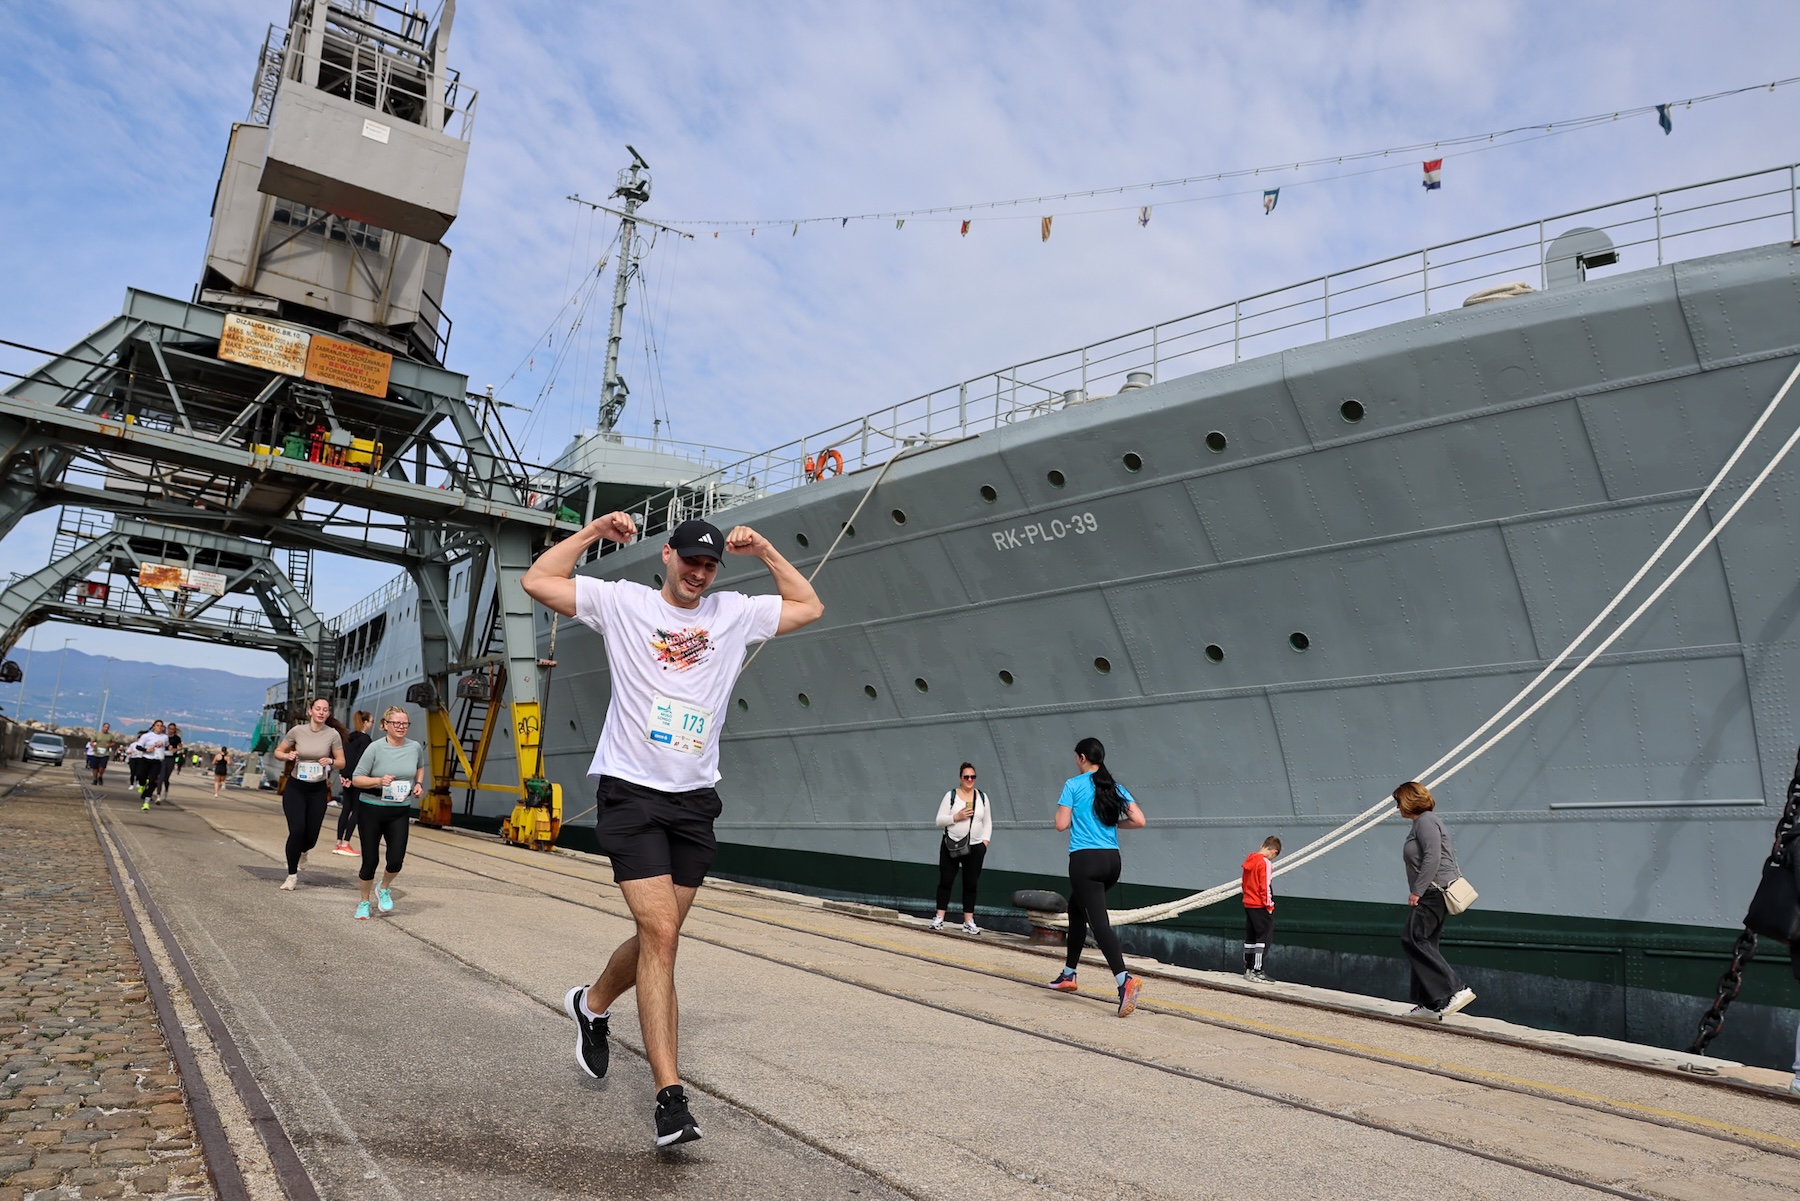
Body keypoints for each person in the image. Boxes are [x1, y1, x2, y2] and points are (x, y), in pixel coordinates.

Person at [521, 512, 823, 1149]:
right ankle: (670, 1098)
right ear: (667, 555)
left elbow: (808, 604)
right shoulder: (622, 602)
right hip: (630, 793)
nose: (700, 572)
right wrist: (592, 535)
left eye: (710, 565)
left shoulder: (733, 614)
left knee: (661, 933)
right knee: (660, 932)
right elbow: (538, 581)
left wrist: (765, 548)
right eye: (691, 560)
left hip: (693, 802)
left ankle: (592, 1003)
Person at [1046, 737, 1148, 1017]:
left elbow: (1060, 824)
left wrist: (1075, 815)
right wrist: (1113, 824)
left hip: (1085, 860)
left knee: (1098, 922)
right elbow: (1139, 820)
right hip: (1111, 861)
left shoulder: (1073, 785)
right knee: (1076, 908)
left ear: (1081, 758)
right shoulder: (1114, 787)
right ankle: (1069, 973)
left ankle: (1123, 980)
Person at [1394, 781, 1477, 1020]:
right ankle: (1430, 1003)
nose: (1397, 807)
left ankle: (1456, 989)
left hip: (1433, 891)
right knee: (1425, 942)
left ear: (1409, 801)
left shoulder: (1426, 822)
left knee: (1413, 938)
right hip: (1432, 891)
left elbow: (1432, 857)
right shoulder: (1423, 822)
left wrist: (1417, 891)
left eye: (1399, 802)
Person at [347, 706, 425, 920]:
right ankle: (364, 902)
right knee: (370, 861)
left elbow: (420, 767)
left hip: (399, 810)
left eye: (405, 724)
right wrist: (378, 781)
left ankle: (383, 887)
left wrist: (418, 784)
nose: (401, 727)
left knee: (396, 860)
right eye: (397, 723)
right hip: (371, 809)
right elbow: (356, 779)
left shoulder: (414, 747)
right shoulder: (375, 748)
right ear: (386, 725)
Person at [273, 698, 345, 890]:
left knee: (311, 837)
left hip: (318, 789)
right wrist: (287, 755)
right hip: (296, 787)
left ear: (328, 714)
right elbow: (278, 751)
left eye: (325, 710)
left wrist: (330, 761)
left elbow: (341, 762)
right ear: (310, 711)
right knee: (297, 830)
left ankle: (304, 851)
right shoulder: (297, 731)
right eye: (318, 709)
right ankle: (291, 875)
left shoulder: (332, 734)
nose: (321, 712)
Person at [932, 762, 992, 933]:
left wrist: (984, 842)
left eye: (972, 777)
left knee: (971, 883)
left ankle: (968, 920)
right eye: (966, 777)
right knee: (946, 880)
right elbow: (939, 820)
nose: (969, 780)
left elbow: (987, 822)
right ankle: (939, 917)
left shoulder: (981, 797)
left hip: (975, 846)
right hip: (951, 844)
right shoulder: (951, 796)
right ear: (960, 778)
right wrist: (956, 817)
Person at [333, 711, 374, 856]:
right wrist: (353, 777)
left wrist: (343, 775)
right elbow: (360, 760)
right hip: (356, 778)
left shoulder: (349, 737)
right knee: (357, 810)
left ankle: (338, 842)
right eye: (371, 721)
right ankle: (346, 843)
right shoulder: (365, 740)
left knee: (346, 809)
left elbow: (345, 757)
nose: (371, 724)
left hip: (345, 776)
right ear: (365, 722)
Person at [1241, 836, 1281, 981]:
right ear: (1274, 852)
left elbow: (1245, 884)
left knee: (1251, 936)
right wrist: (1269, 905)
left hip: (1248, 903)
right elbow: (1264, 886)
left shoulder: (1250, 860)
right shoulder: (1265, 863)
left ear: (1262, 845)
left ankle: (1248, 968)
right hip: (1259, 904)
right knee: (1264, 937)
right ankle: (1258, 970)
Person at [129, 721, 169, 810]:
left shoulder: (165, 737)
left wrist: (168, 749)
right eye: (157, 725)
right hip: (146, 759)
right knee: (141, 775)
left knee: (153, 781)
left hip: (157, 761)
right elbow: (138, 747)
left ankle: (146, 803)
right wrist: (146, 749)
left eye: (161, 726)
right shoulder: (146, 736)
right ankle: (142, 784)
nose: (159, 727)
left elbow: (166, 746)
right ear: (153, 727)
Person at [160, 725, 183, 795]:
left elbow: (180, 747)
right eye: (169, 729)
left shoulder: (177, 738)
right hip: (162, 757)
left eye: (172, 729)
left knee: (166, 778)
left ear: (174, 730)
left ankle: (166, 790)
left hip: (171, 758)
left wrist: (175, 750)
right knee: (161, 776)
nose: (170, 730)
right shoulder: (164, 737)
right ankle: (158, 792)